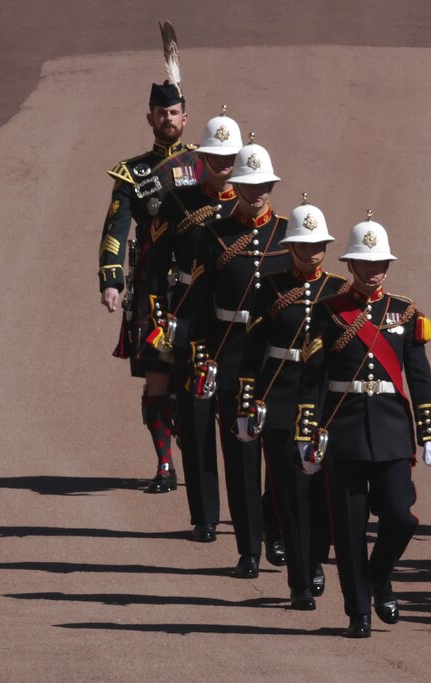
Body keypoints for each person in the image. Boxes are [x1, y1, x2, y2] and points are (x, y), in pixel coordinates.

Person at [299, 213, 431, 638]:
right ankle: (357, 612)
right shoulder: (328, 314)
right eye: (367, 260)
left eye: (381, 260)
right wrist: (307, 435)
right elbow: (312, 380)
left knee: (401, 517)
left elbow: (419, 376)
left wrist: (429, 428)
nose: (376, 267)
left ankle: (378, 577)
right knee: (347, 529)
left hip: (393, 432)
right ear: (352, 265)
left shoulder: (404, 312)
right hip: (343, 433)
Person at [236, 196, 348, 610]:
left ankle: (316, 555)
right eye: (305, 243)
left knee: (322, 493)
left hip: (321, 399)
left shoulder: (338, 291)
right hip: (281, 396)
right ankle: (300, 579)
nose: (313, 250)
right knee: (289, 491)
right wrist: (247, 406)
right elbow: (252, 352)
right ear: (290, 248)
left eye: (319, 243)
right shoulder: (270, 288)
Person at [191, 136, 292, 578]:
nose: (257, 193)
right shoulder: (214, 235)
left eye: (264, 184)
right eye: (250, 185)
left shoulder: (291, 234)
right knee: (242, 460)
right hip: (232, 362)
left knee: (283, 457)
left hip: (277, 364)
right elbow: (197, 306)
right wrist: (203, 359)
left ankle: (275, 527)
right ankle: (249, 548)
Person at [97, 77, 198, 492]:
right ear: (150, 118)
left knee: (196, 371)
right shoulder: (133, 172)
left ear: (185, 118)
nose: (167, 118)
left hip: (196, 283)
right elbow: (116, 229)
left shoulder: (204, 163)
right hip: (153, 284)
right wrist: (111, 279)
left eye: (173, 112)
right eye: (161, 112)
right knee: (158, 375)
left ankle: (197, 455)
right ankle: (164, 465)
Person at [148, 107, 242, 539]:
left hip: (237, 326)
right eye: (216, 156)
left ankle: (250, 520)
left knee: (243, 428)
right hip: (190, 320)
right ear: (201, 157)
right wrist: (159, 318)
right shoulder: (178, 200)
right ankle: (204, 516)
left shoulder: (249, 204)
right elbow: (153, 266)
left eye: (231, 156)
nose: (224, 164)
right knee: (198, 419)